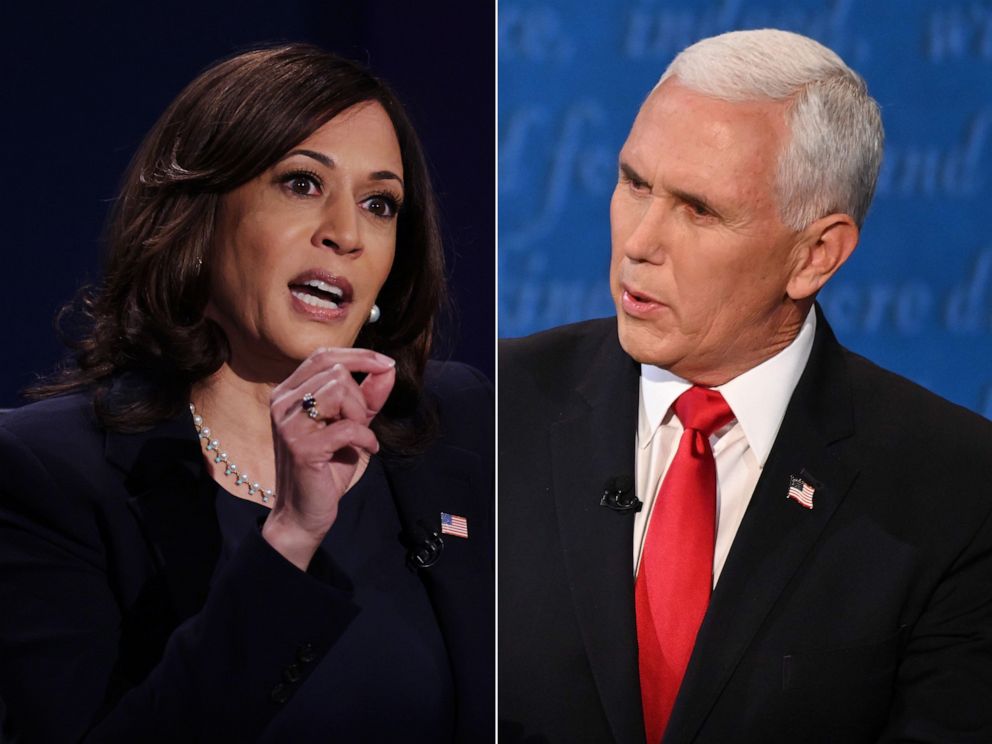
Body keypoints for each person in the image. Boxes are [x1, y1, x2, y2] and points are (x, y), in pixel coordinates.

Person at [499, 29, 992, 744]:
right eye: (634, 184)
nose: (639, 241)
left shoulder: (958, 487)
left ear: (814, 255)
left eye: (697, 210)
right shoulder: (496, 408)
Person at [0, 44, 493, 743]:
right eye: (300, 184)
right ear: (201, 219)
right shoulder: (46, 474)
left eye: (379, 204)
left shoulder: (451, 425)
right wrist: (289, 537)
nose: (345, 234)